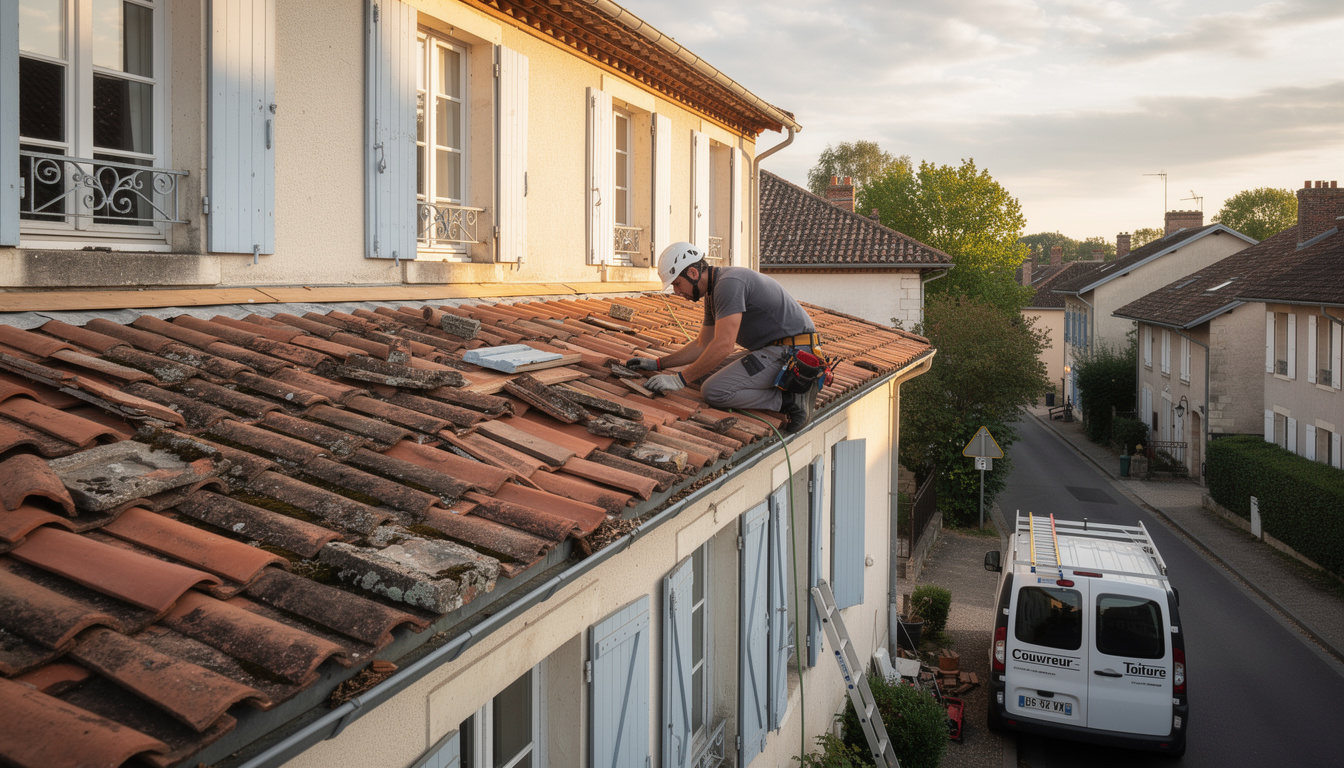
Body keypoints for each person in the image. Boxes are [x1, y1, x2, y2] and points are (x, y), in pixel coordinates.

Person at [627, 242, 824, 434]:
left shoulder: (729, 284)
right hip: (774, 350)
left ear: (693, 273)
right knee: (701, 373)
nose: (677, 291)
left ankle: (790, 400)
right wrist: (658, 364)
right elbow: (702, 345)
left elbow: (724, 346)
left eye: (677, 283)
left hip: (794, 354)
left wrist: (679, 380)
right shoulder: (714, 291)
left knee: (714, 391)